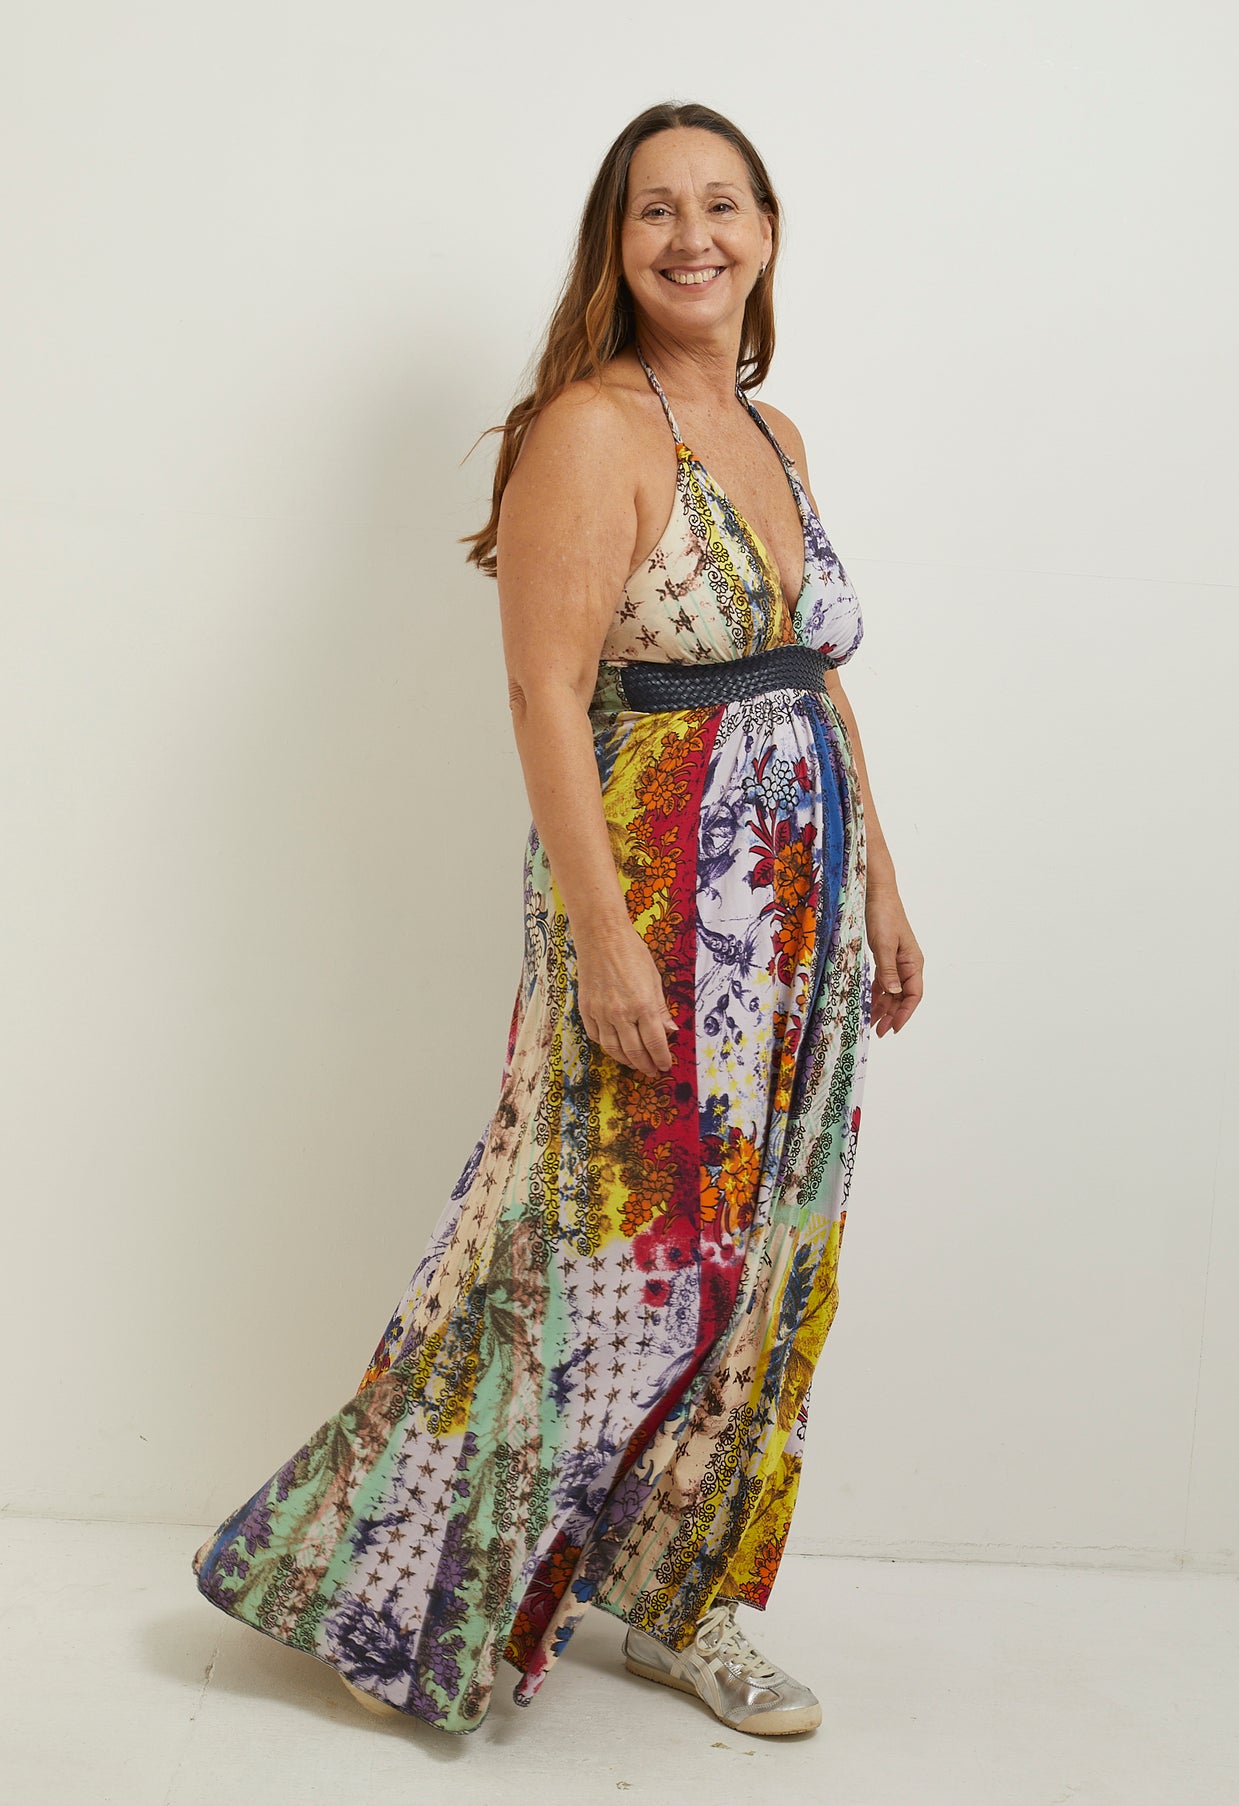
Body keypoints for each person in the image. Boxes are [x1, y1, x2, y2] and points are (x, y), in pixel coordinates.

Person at [192, 98, 924, 1741]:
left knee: (766, 1255)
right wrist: (601, 937)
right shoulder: (588, 429)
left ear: (767, 232)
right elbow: (542, 689)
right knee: (592, 1255)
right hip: (657, 903)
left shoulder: (776, 433)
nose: (692, 237)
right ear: (614, 243)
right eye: (655, 209)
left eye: (721, 204)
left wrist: (881, 876)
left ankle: (686, 1601)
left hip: (799, 917)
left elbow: (810, 672)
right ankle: (401, 1590)